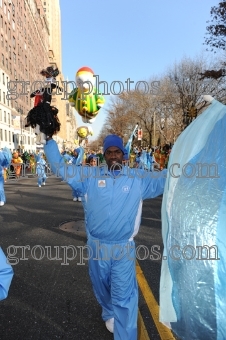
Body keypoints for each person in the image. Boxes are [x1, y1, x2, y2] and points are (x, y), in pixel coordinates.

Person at [44, 134, 167, 339]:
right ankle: (109, 312)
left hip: (123, 249)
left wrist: (189, 155)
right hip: (97, 247)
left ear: (123, 154)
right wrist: (48, 140)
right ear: (104, 156)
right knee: (101, 287)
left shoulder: (138, 179)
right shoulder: (88, 177)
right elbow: (60, 167)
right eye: (109, 153)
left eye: (116, 152)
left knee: (124, 296)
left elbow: (166, 178)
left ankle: (125, 335)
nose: (113, 156)